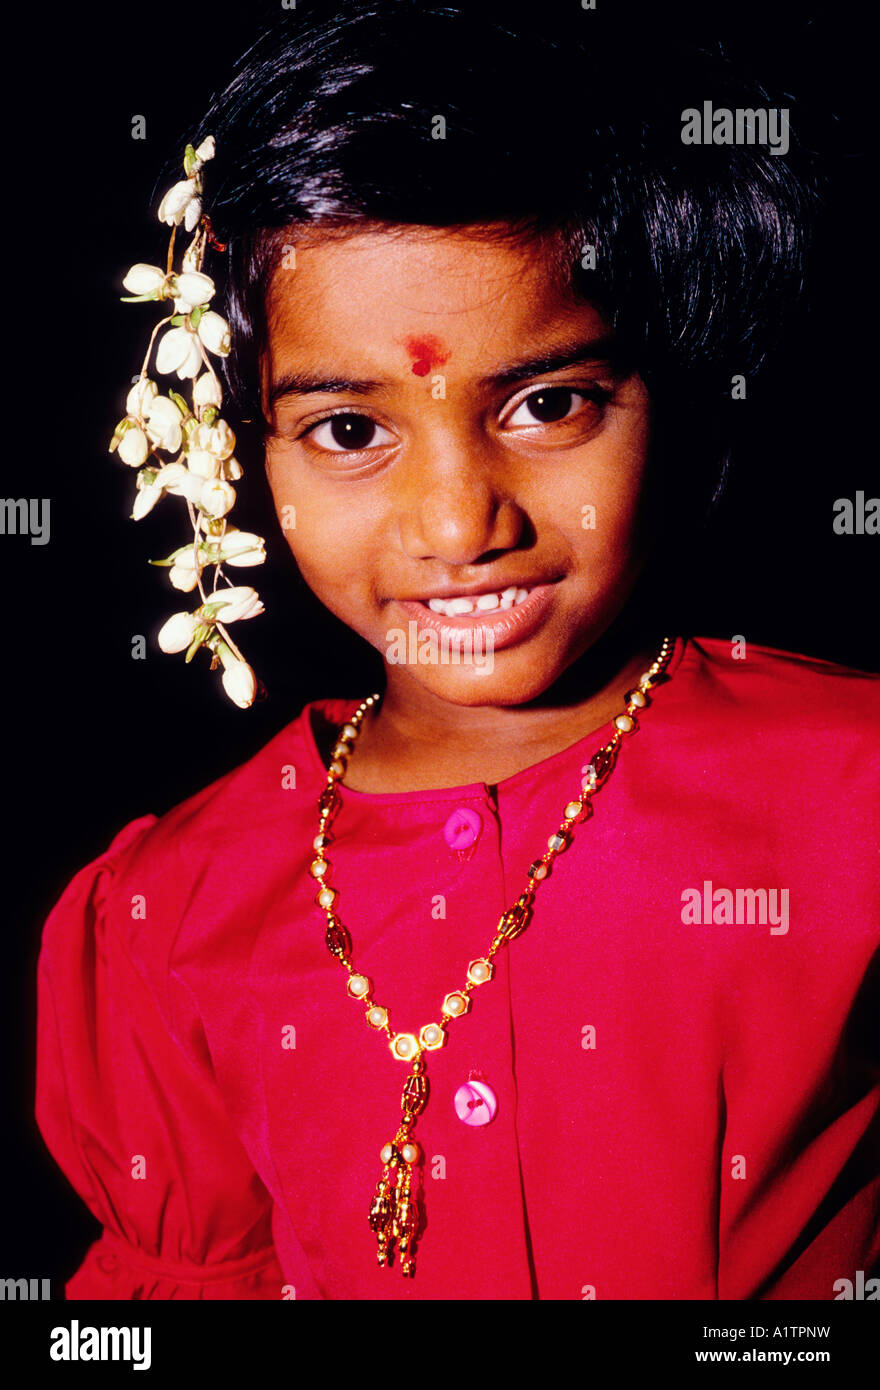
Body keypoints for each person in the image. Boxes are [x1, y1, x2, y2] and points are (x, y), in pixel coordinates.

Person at [35, 0, 879, 1299]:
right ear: (239, 452)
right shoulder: (174, 911)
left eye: (548, 404)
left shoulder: (850, 793)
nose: (458, 523)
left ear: (669, 386)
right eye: (349, 433)